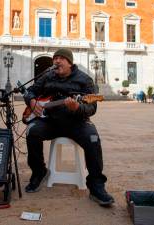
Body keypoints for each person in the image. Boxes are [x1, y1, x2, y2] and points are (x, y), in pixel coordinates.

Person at [23, 48, 114, 207]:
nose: (57, 61)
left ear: (70, 62)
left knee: (92, 138)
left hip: (76, 122)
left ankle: (96, 185)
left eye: (61, 58)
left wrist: (77, 108)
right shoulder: (47, 76)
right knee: (32, 131)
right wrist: (31, 101)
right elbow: (30, 91)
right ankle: (39, 172)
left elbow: (91, 109)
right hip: (50, 121)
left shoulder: (84, 80)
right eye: (55, 58)